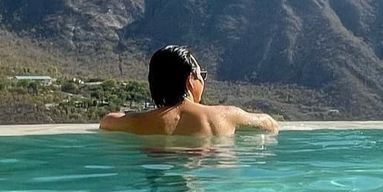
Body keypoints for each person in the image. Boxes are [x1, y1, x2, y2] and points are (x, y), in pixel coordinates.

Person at [99, 45, 279, 136]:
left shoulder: (136, 122)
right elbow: (270, 124)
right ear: (191, 78)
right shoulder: (224, 115)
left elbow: (107, 121)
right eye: (202, 75)